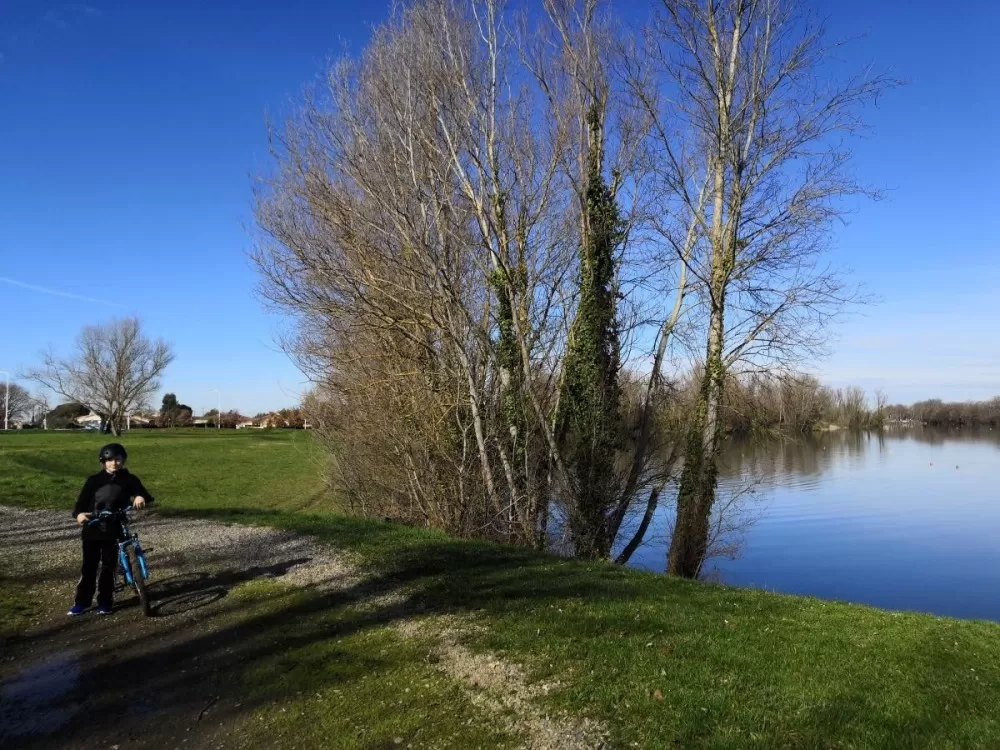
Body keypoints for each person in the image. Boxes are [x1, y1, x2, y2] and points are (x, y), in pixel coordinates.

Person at [67, 442, 155, 616]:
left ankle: (105, 602)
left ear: (123, 460)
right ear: (103, 461)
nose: (114, 463)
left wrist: (139, 496)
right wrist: (78, 515)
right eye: (109, 460)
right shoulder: (94, 480)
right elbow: (81, 503)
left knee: (109, 567)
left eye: (118, 459)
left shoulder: (129, 479)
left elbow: (144, 494)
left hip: (115, 529)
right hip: (93, 527)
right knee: (89, 567)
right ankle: (82, 602)